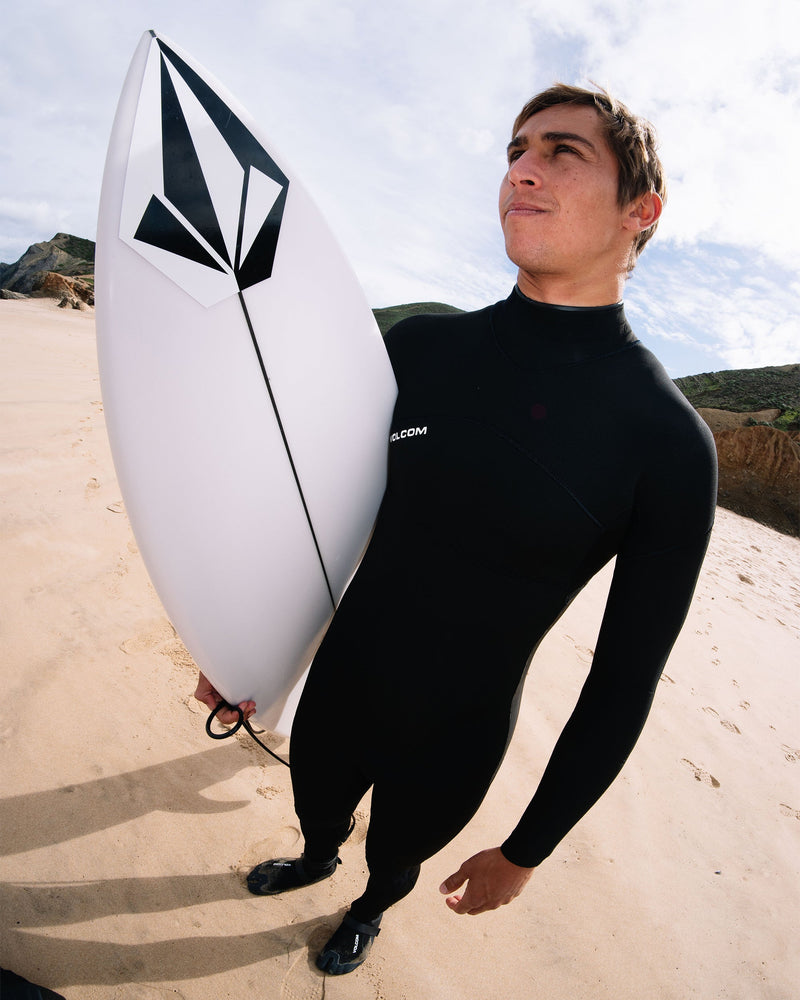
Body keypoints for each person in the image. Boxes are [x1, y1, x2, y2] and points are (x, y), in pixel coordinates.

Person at [195, 83, 717, 975]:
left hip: (458, 727)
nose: (522, 171)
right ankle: (317, 856)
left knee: (398, 853)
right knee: (317, 805)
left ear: (642, 210)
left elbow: (624, 681)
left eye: (561, 152)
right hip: (342, 681)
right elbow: (313, 517)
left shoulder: (667, 442)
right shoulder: (422, 350)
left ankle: (368, 909)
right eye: (516, 152)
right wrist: (239, 648)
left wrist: (529, 848)